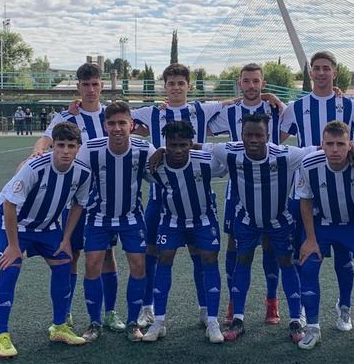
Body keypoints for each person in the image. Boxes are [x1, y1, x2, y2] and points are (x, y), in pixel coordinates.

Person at [203, 113, 317, 343]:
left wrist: (352, 147)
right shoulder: (230, 151)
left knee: (286, 264)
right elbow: (200, 146)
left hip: (279, 221)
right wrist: (162, 151)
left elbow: (317, 149)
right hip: (246, 221)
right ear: (241, 135)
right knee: (242, 262)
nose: (253, 139)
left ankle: (296, 319)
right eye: (248, 134)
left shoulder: (286, 155)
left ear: (268, 136)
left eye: (259, 135)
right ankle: (238, 318)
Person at [131, 63, 227, 329]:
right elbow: (114, 114)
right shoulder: (150, 112)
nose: (175, 88)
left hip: (197, 196)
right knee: (153, 252)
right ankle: (148, 307)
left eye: (180, 83)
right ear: (164, 86)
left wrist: (271, 98)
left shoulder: (200, 109)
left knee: (201, 253)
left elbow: (236, 102)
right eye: (171, 84)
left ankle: (205, 308)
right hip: (159, 197)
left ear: (189, 86)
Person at [31, 63, 121, 332]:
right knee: (71, 253)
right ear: (78, 87)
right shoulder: (65, 117)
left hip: (106, 198)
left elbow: (141, 123)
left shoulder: (112, 116)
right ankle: (66, 313)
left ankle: (111, 312)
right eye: (85, 85)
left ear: (102, 85)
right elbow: (45, 140)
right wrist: (35, 155)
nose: (91, 89)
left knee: (106, 255)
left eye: (95, 84)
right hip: (72, 200)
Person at [280, 50, 354, 332]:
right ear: (310, 72)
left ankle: (344, 307)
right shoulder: (296, 106)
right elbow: (278, 143)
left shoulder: (350, 106)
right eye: (316, 68)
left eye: (326, 68)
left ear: (334, 72)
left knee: (343, 257)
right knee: (303, 254)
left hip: (341, 193)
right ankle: (303, 309)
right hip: (305, 191)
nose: (320, 73)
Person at [0, 122, 91, 358]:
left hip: (48, 226)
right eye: (60, 146)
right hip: (14, 224)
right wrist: (14, 246)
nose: (65, 151)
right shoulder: (34, 168)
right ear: (52, 146)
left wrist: (66, 238)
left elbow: (79, 204)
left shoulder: (83, 172)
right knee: (10, 269)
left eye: (71, 146)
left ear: (78, 147)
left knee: (63, 266)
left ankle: (59, 327)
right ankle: (2, 335)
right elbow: (9, 204)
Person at [208, 62, 287, 325]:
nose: (251, 86)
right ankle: (234, 302)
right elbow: (200, 124)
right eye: (246, 81)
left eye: (256, 81)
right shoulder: (229, 112)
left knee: (270, 244)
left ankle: (271, 301)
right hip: (238, 187)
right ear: (239, 84)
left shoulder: (276, 109)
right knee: (234, 243)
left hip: (272, 185)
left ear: (262, 84)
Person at [296, 121, 354, 352]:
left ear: (349, 144)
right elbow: (305, 200)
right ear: (321, 145)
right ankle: (313, 328)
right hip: (322, 225)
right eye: (330, 144)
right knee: (308, 265)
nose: (335, 149)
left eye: (340, 144)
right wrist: (311, 239)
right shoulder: (309, 163)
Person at [76, 102, 155, 343]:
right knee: (92, 265)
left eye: (122, 123)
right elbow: (75, 178)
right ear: (104, 126)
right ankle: (94, 322)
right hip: (98, 216)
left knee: (138, 266)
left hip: (131, 216)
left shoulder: (144, 149)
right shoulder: (91, 149)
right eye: (112, 123)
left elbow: (159, 175)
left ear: (132, 125)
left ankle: (132, 323)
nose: (117, 128)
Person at [143, 120, 227, 343]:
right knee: (165, 257)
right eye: (172, 145)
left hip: (203, 219)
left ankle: (212, 321)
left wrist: (199, 147)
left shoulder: (206, 161)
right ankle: (159, 321)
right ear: (166, 144)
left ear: (191, 143)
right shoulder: (156, 166)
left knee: (209, 259)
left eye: (183, 145)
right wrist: (159, 152)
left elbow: (227, 160)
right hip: (172, 220)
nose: (178, 150)